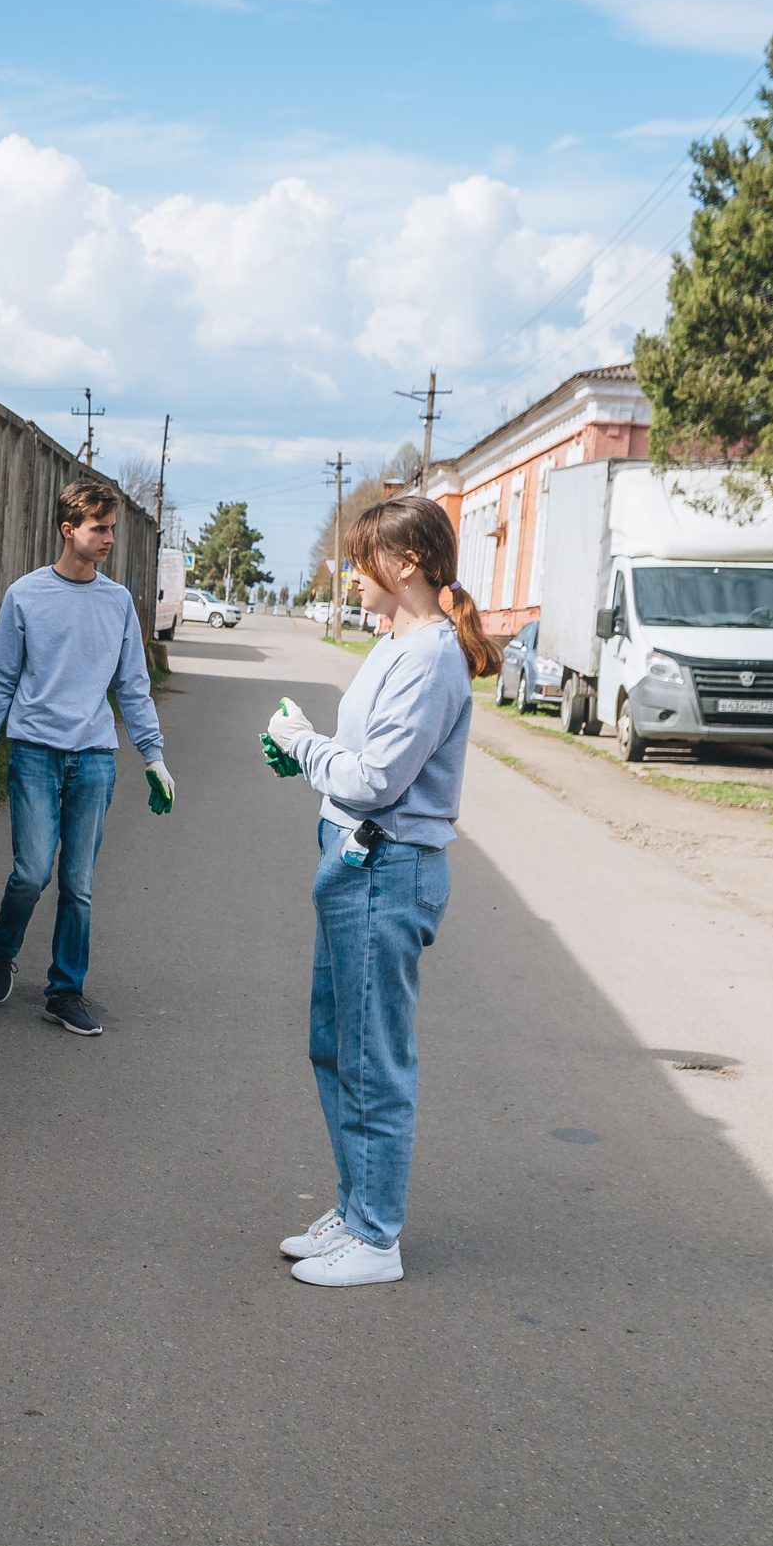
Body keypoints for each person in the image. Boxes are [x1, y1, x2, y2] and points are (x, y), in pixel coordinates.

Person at [265, 495, 498, 1287]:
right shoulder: (399, 642)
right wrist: (310, 750)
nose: (348, 572)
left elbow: (374, 779)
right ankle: (357, 1205)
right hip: (356, 862)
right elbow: (361, 756)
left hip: (387, 868)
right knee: (335, 1046)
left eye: (361, 558)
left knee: (373, 1060)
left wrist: (301, 746)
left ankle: (376, 1236)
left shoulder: (432, 657)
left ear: (405, 564)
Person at [0, 479, 174, 1036]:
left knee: (78, 883)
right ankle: (2, 947)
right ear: (68, 530)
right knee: (31, 873)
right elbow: (0, 679)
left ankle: (65, 990)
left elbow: (133, 684)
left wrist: (153, 756)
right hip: (35, 752)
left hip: (94, 759)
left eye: (112, 529)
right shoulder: (27, 595)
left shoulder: (118, 602)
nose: (109, 538)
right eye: (98, 528)